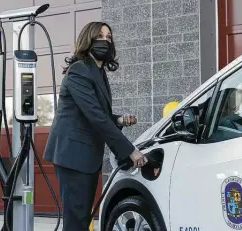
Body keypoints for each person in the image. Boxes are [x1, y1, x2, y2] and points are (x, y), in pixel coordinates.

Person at [43, 21, 148, 231]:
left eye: (109, 37)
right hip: (72, 155)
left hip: (84, 156)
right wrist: (129, 151)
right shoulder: (79, 70)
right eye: (100, 36)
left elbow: (98, 115)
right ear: (88, 39)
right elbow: (96, 116)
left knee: (81, 219)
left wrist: (119, 120)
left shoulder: (98, 72)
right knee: (76, 222)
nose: (105, 41)